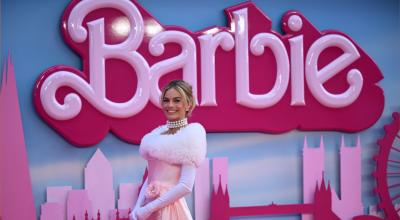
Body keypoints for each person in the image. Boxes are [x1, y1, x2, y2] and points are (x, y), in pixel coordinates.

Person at [130, 80, 207, 220]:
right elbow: (150, 178)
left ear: (188, 104)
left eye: (177, 100)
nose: (170, 105)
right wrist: (137, 208)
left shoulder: (191, 136)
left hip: (172, 212)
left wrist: (148, 209)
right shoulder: (155, 136)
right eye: (166, 100)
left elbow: (185, 185)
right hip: (148, 209)